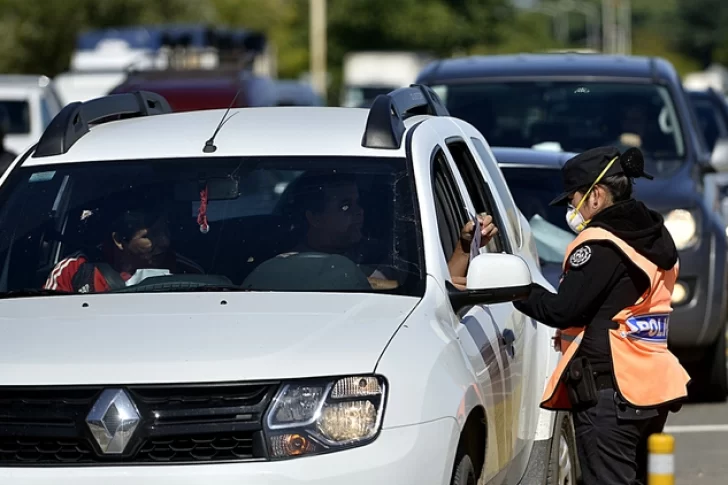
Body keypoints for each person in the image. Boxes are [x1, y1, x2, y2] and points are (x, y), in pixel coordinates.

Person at [512, 146, 690, 485]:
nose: (570, 208)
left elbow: (563, 309)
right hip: (651, 389)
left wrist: (519, 293)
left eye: (572, 198)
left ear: (595, 196)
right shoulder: (652, 235)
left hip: (611, 394)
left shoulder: (600, 245)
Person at [281, 171, 497, 289]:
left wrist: (464, 247)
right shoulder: (282, 269)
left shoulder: (382, 259)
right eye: (345, 206)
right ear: (314, 218)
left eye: (359, 203)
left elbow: (434, 299)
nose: (360, 212)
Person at [44, 206, 199, 293]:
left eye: (165, 231)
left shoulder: (187, 272)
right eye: (151, 236)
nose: (164, 242)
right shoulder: (74, 270)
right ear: (119, 240)